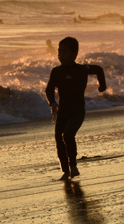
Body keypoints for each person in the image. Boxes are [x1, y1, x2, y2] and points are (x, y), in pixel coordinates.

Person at [44, 37, 106, 180]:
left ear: (74, 54)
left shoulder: (82, 69)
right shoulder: (56, 71)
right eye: (59, 52)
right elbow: (49, 90)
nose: (60, 55)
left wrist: (102, 86)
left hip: (77, 112)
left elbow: (99, 70)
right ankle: (66, 171)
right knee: (59, 139)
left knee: (68, 135)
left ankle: (73, 166)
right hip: (62, 112)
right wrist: (52, 103)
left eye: (64, 52)